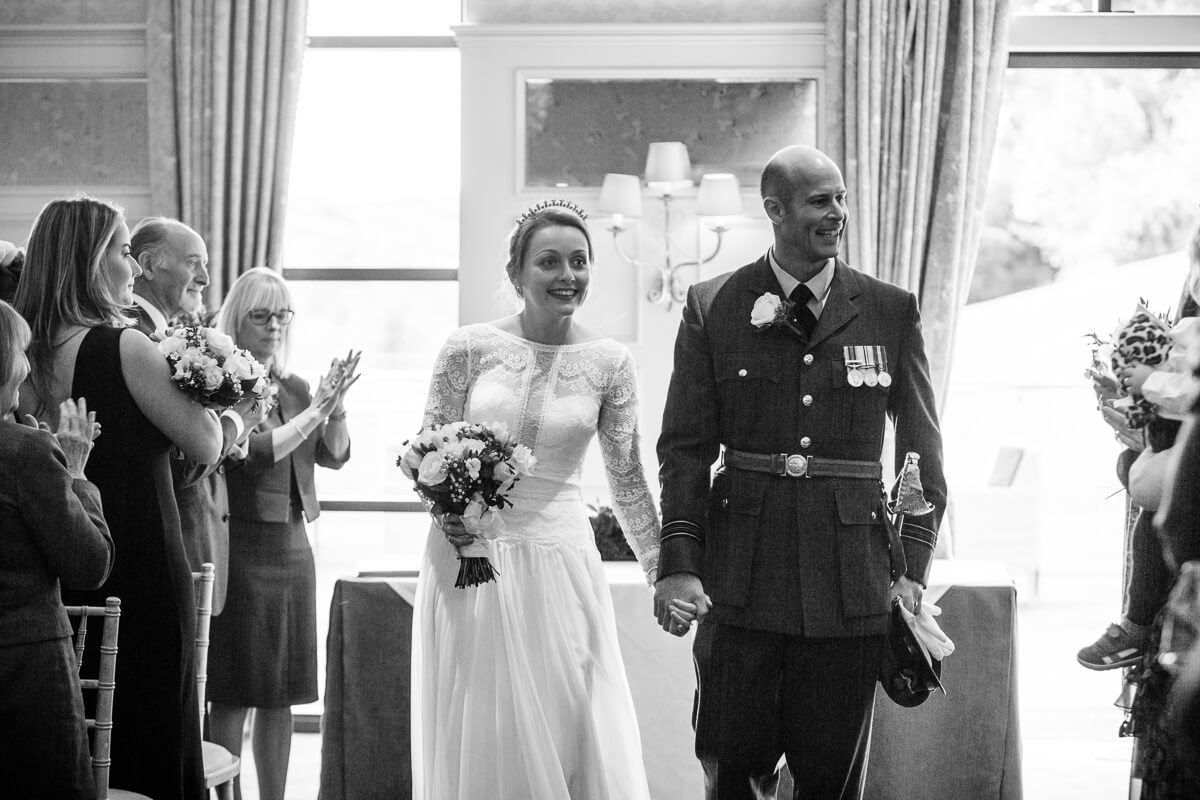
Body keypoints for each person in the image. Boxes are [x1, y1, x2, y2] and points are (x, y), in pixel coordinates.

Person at [654, 145, 946, 799]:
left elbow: (921, 449)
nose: (838, 213)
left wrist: (912, 571)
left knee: (832, 782)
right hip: (741, 580)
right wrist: (680, 558)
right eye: (821, 201)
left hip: (852, 585)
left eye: (841, 197)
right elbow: (685, 448)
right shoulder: (714, 305)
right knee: (732, 772)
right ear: (775, 211)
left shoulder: (888, 308)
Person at [411, 200, 661, 800]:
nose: (566, 275)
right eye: (549, 261)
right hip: (471, 560)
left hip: (562, 561)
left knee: (568, 718)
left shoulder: (610, 363)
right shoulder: (467, 348)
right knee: (484, 718)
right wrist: (457, 524)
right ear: (517, 273)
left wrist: (662, 570)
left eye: (579, 261)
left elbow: (627, 478)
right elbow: (425, 453)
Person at [13, 195, 221, 800]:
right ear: (93, 262)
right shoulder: (124, 347)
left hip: (54, 571)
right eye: (125, 252)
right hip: (143, 567)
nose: (132, 270)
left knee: (79, 746)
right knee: (153, 734)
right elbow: (205, 444)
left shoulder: (21, 353)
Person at [206, 267, 358, 800]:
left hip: (294, 549)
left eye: (283, 315)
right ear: (237, 320)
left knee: (281, 695)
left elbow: (334, 455)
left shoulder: (293, 387)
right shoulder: (220, 383)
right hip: (241, 548)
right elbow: (255, 455)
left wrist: (333, 409)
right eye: (262, 315)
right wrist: (317, 411)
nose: (274, 326)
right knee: (231, 693)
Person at [0, 300, 111, 800]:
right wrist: (77, 473)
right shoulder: (26, 452)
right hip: (26, 672)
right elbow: (90, 564)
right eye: (21, 353)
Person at [129, 216, 267, 616]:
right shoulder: (139, 341)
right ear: (150, 265)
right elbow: (180, 463)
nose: (205, 278)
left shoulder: (165, 336)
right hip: (162, 547)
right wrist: (239, 420)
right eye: (194, 262)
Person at [1079, 226, 1200, 671]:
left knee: (1154, 512)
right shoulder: (1187, 328)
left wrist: (1150, 384)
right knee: (1130, 468)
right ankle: (1141, 624)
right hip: (1170, 455)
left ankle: (1139, 625)